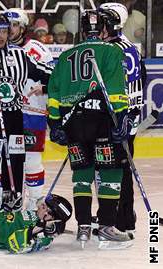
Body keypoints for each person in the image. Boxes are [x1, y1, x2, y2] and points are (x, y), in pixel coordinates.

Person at [47, 10, 132, 249]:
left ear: (83, 31)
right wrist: (122, 118)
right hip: (101, 121)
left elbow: (53, 94)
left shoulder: (65, 57)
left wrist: (55, 124)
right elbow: (115, 90)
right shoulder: (112, 51)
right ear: (105, 30)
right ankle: (105, 226)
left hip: (74, 124)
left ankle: (83, 226)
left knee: (82, 173)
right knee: (111, 173)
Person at [0, 14, 52, 214]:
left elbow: (47, 73)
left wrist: (52, 84)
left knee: (14, 166)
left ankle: (11, 211)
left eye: (4, 31)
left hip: (13, 119)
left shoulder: (19, 55)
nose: (1, 36)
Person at [98, 2, 146, 238]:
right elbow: (142, 79)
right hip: (130, 116)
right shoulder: (131, 47)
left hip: (117, 116)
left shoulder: (110, 50)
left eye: (101, 21)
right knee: (123, 167)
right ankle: (126, 216)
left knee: (114, 168)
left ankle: (118, 218)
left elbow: (105, 86)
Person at [5, 8, 55, 212]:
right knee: (6, 162)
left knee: (32, 162)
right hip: (7, 113)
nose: (9, 29)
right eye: (6, 24)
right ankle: (7, 205)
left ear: (23, 28)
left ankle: (35, 205)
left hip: (33, 113)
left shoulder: (37, 49)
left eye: (14, 25)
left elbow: (54, 77)